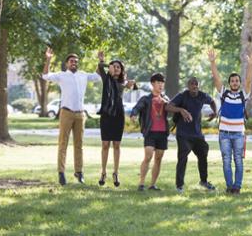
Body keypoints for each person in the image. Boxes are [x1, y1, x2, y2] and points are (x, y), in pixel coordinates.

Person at [42, 47, 101, 185]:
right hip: (66, 113)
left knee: (79, 145)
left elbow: (98, 76)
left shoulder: (83, 75)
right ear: (66, 63)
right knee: (63, 143)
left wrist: (100, 61)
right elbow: (45, 76)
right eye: (71, 61)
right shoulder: (62, 75)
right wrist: (48, 59)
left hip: (80, 114)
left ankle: (79, 172)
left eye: (76, 61)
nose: (74, 63)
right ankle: (61, 173)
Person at [208, 49, 252, 194]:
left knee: (239, 162)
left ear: (239, 83)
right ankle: (230, 187)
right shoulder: (224, 94)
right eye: (232, 81)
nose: (235, 82)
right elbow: (216, 79)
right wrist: (213, 62)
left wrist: (250, 65)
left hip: (238, 135)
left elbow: (248, 80)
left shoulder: (243, 95)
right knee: (226, 161)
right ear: (229, 83)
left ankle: (237, 186)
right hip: (224, 134)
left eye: (237, 81)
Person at [165, 77, 218, 193]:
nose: (194, 86)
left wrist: (215, 112)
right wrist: (181, 110)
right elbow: (168, 106)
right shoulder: (182, 96)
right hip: (183, 134)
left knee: (203, 154)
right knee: (182, 158)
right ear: (188, 86)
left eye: (196, 84)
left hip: (197, 134)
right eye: (192, 84)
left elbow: (212, 101)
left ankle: (203, 181)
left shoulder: (202, 95)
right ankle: (179, 185)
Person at [96, 51, 135, 187]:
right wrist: (104, 61)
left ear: (121, 70)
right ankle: (103, 172)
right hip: (106, 114)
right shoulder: (106, 78)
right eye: (114, 66)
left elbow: (133, 86)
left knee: (116, 145)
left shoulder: (123, 82)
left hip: (118, 115)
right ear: (111, 68)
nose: (116, 68)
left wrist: (132, 84)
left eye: (119, 67)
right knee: (105, 144)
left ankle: (115, 173)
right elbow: (100, 68)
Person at [130, 73, 169, 191]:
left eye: (162, 83)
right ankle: (141, 183)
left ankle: (152, 184)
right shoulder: (146, 99)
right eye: (158, 83)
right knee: (148, 156)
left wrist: (165, 102)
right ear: (152, 84)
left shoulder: (165, 99)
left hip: (162, 132)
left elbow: (172, 108)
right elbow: (137, 108)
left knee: (159, 158)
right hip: (150, 132)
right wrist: (133, 115)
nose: (160, 85)